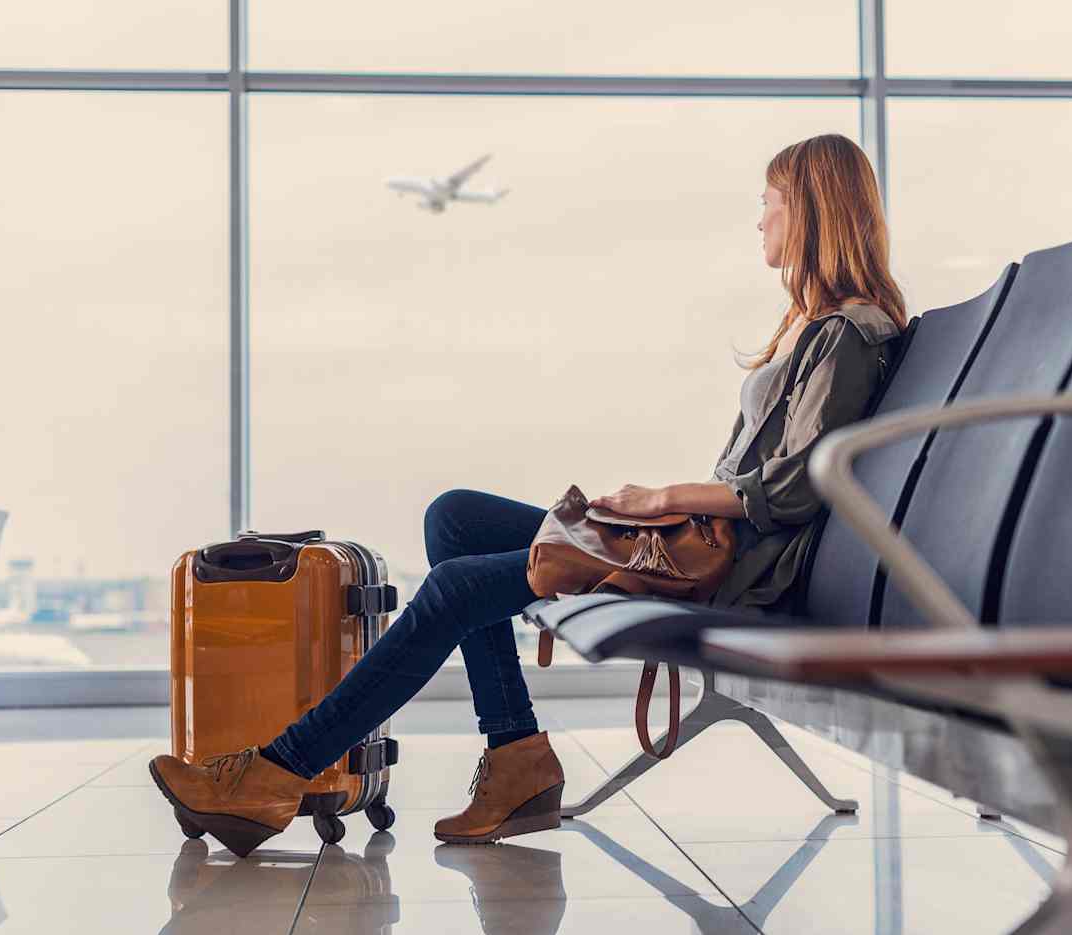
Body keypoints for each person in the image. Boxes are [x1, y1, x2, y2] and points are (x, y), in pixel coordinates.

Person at [148, 133, 907, 849]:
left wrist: (655, 501)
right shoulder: (818, 329)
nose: (760, 217)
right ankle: (516, 755)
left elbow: (796, 490)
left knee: (452, 587)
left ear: (810, 211)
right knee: (455, 518)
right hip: (697, 548)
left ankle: (275, 774)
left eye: (772, 199)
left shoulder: (846, 336)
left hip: (730, 575)